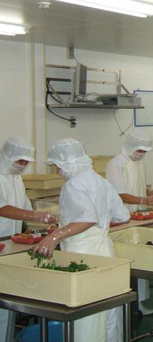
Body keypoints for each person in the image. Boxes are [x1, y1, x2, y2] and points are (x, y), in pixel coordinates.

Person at [34, 139, 130, 342]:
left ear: (68, 163)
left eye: (58, 166)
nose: (58, 171)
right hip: (105, 253)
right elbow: (123, 216)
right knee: (108, 311)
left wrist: (54, 236)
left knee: (87, 318)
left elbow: (87, 218)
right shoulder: (101, 181)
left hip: (84, 256)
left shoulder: (73, 185)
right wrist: (101, 226)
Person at [0, 137, 57, 342]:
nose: (22, 165)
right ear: (8, 156)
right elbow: (3, 208)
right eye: (20, 161)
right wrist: (35, 216)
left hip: (11, 242)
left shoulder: (16, 178)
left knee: (6, 295)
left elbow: (23, 207)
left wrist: (33, 227)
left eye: (26, 162)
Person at [105, 128, 153, 316]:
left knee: (141, 259)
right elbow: (120, 195)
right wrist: (143, 200)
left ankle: (139, 302)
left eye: (144, 152)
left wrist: (152, 194)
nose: (141, 154)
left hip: (139, 217)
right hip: (121, 219)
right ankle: (128, 305)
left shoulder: (139, 164)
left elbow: (138, 189)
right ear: (130, 146)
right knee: (127, 261)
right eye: (139, 150)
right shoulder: (115, 165)